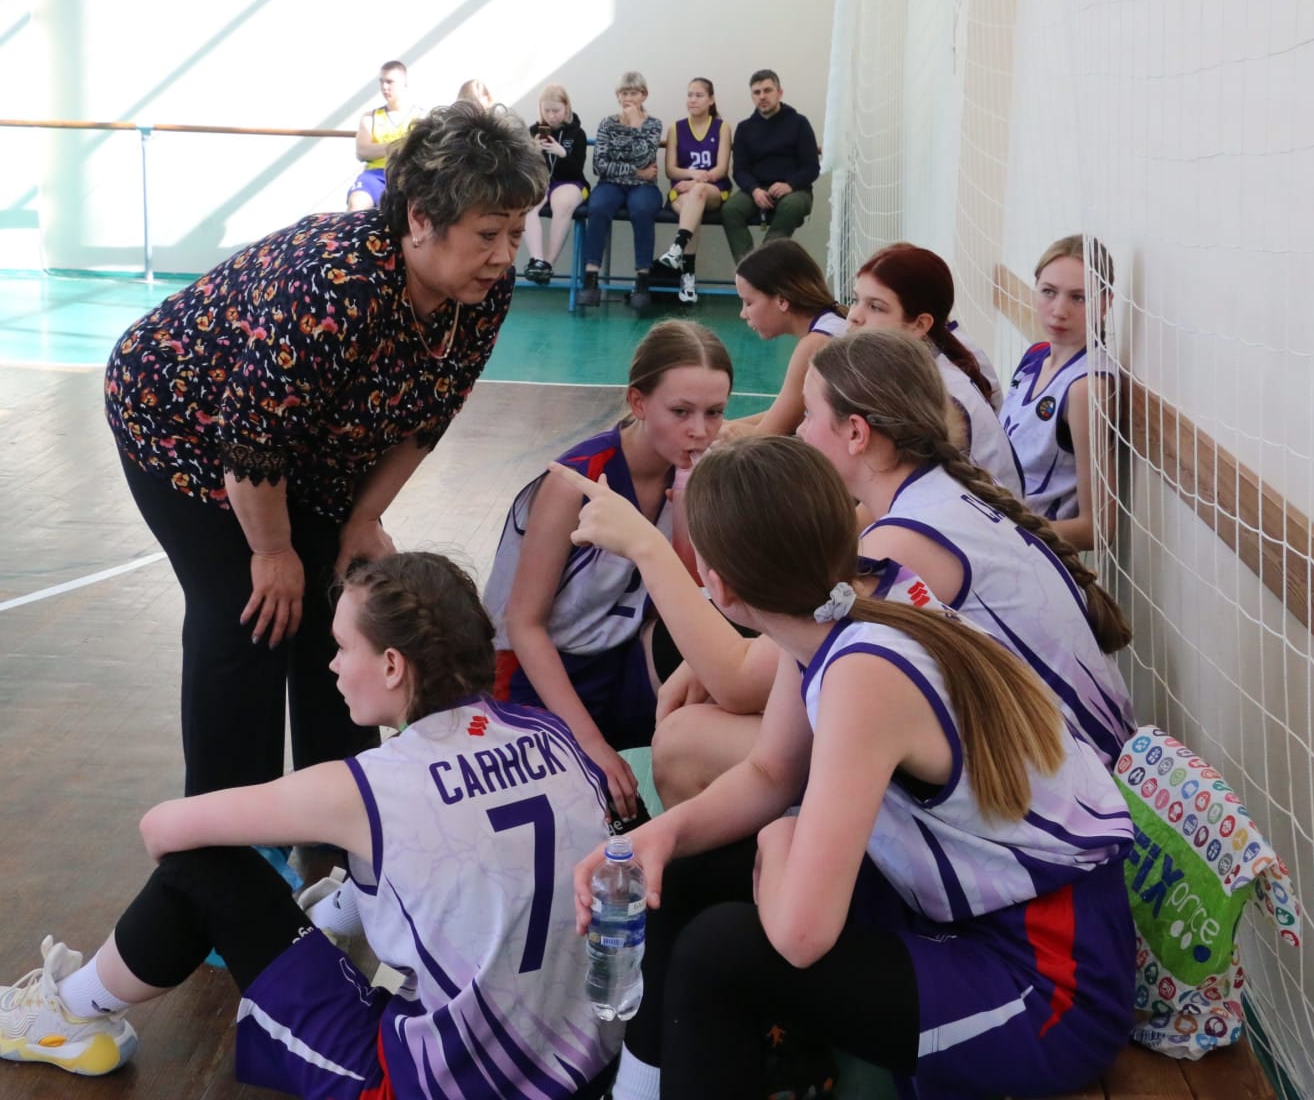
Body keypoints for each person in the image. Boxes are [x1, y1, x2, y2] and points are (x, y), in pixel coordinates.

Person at [570, 437, 1135, 1100]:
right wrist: (659, 836)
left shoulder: (864, 674)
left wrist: (780, 839)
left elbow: (801, 936)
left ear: (716, 585)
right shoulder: (843, 600)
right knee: (679, 877)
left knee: (720, 955)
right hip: (972, 909)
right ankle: (636, 1091)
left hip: (1048, 984)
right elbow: (771, 773)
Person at [0, 553, 622, 1098]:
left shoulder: (367, 786)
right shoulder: (552, 734)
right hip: (586, 1064)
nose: (332, 665)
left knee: (202, 867)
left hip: (442, 1085)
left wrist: (274, 873)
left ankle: (65, 1011)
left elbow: (161, 829)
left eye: (343, 647)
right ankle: (322, 919)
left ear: (393, 665)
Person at [105, 103, 547, 800]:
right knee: (248, 615)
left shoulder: (482, 290)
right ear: (420, 219)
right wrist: (272, 552)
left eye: (515, 234)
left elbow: (429, 416)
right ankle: (227, 832)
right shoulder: (335, 283)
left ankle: (338, 814)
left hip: (306, 440)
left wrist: (362, 518)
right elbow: (251, 440)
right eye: (488, 233)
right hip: (183, 424)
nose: (503, 255)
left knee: (339, 609)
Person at [641, 328, 1135, 806]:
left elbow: (739, 682)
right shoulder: (932, 494)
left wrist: (645, 547)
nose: (799, 430)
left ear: (857, 433)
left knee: (684, 743)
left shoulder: (901, 544)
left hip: (1057, 787)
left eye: (809, 414)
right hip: (1075, 761)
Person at [482, 320, 732, 820]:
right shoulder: (574, 481)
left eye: (714, 412)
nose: (700, 431)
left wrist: (687, 498)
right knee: (584, 813)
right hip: (537, 668)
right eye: (680, 412)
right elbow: (523, 625)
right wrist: (592, 744)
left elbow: (687, 603)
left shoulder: (697, 469)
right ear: (638, 402)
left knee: (721, 659)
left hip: (619, 660)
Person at [847, 242, 1024, 496]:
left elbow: (889, 495)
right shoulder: (918, 364)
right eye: (856, 300)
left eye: (875, 307)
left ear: (920, 325)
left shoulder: (936, 396)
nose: (854, 315)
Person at [1000, 235, 1119, 550]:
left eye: (1079, 298)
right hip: (989, 520)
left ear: (1105, 303)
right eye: (1049, 292)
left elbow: (1097, 529)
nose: (1058, 311)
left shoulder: (1086, 389)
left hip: (1027, 552)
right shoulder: (1035, 356)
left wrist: (1004, 535)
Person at [718, 240, 846, 440]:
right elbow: (782, 414)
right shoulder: (832, 323)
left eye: (748, 303)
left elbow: (768, 434)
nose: (743, 314)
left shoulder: (815, 344)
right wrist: (723, 425)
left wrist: (719, 431)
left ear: (782, 301)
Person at [576, 71, 664, 312]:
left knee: (642, 210)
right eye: (624, 93)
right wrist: (637, 171)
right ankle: (591, 278)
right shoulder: (607, 123)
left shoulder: (653, 124)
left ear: (643, 95)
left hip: (645, 188)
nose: (628, 98)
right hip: (610, 185)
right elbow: (599, 165)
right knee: (598, 206)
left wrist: (636, 127)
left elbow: (646, 157)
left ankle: (642, 281)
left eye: (633, 93)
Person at [720, 69, 819, 261]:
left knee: (791, 206)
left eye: (767, 90)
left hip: (795, 190)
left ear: (780, 93)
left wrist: (789, 185)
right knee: (730, 210)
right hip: (757, 189)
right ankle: (746, 266)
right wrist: (754, 190)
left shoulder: (799, 123)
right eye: (756, 92)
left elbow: (811, 167)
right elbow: (740, 170)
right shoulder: (745, 128)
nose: (762, 96)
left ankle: (764, 264)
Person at [654, 77, 731, 305]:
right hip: (682, 191)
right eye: (690, 95)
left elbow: (721, 169)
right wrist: (691, 174)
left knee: (698, 193)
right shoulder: (675, 128)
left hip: (713, 189)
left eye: (699, 95)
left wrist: (697, 181)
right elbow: (670, 170)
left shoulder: (722, 127)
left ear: (711, 99)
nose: (693, 100)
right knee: (692, 208)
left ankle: (677, 249)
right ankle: (688, 282)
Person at [523, 83, 589, 286]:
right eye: (547, 111)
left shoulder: (577, 134)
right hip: (542, 182)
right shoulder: (533, 132)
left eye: (556, 111)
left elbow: (577, 170)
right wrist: (532, 152)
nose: (551, 116)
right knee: (528, 203)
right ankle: (537, 259)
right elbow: (523, 169)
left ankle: (548, 264)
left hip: (571, 181)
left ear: (566, 108)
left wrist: (563, 154)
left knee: (563, 203)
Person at [347, 60, 422, 211]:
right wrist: (401, 144)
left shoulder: (421, 117)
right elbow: (362, 152)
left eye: (389, 82)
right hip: (375, 175)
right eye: (381, 82)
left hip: (407, 174)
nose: (384, 87)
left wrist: (379, 149)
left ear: (403, 84)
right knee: (356, 203)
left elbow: (423, 151)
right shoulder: (370, 117)